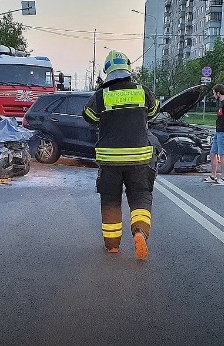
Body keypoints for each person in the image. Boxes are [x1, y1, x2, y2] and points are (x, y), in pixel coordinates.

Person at [82, 50, 160, 260]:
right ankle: (140, 232)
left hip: (110, 159)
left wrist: (103, 97)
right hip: (139, 158)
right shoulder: (142, 91)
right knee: (140, 197)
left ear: (107, 71)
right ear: (128, 69)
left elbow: (88, 116)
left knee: (110, 200)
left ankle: (112, 245)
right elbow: (153, 112)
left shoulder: (103, 95)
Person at [203, 84, 224, 186]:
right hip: (218, 132)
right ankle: (213, 176)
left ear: (218, 93)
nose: (214, 95)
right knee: (212, 154)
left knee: (222, 155)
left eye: (214, 93)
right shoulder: (221, 103)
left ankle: (223, 178)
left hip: (223, 132)